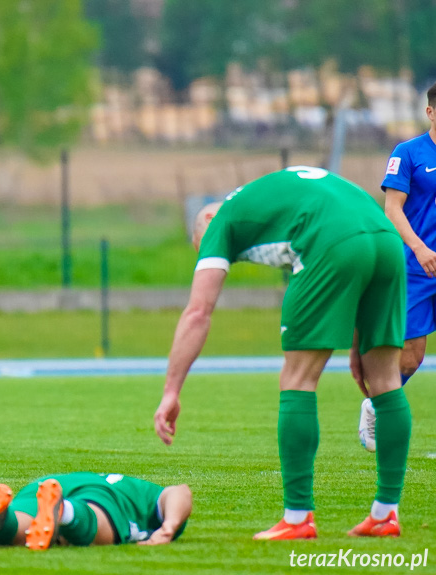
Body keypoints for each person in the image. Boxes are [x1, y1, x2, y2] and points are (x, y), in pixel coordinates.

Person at [153, 166, 411, 540]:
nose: (217, 254)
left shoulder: (220, 218)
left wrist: (171, 392)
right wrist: (359, 341)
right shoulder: (269, 195)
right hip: (385, 238)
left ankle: (297, 518)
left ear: (207, 218)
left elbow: (197, 313)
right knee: (386, 380)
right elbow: (351, 230)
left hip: (330, 239)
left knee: (297, 378)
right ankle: (386, 513)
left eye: (203, 246)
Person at [358, 81, 436, 452]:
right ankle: (375, 406)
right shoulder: (408, 153)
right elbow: (392, 210)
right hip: (417, 267)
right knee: (411, 355)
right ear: (430, 112)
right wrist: (420, 249)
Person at [0, 472, 191, 552]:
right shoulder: (145, 497)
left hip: (41, 486)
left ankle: (2, 518)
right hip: (106, 496)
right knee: (101, 527)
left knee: (22, 530)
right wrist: (169, 527)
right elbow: (181, 491)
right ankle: (65, 511)